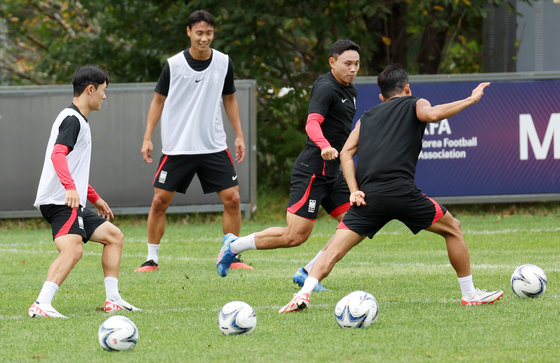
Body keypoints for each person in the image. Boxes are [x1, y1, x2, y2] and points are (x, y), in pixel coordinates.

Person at [279, 64, 503, 313]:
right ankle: (470, 294)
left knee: (333, 249)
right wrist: (471, 100)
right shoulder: (415, 102)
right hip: (401, 192)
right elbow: (433, 115)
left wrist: (354, 190)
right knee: (453, 229)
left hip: (368, 197)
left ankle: (304, 293)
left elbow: (345, 152)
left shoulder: (367, 117)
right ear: (407, 88)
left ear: (381, 97)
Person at [216, 40, 361, 286]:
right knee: (295, 236)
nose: (353, 69)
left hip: (333, 173)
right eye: (348, 63)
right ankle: (234, 245)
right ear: (332, 62)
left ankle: (308, 272)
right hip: (313, 171)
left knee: (356, 224)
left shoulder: (351, 91)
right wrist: (324, 145)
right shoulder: (326, 87)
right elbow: (312, 123)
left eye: (357, 64)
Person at [135, 9, 252, 272]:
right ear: (188, 32)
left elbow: (229, 99)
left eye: (209, 33)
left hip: (213, 145)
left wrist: (239, 135)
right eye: (199, 33)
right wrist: (147, 138)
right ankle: (151, 259)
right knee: (158, 202)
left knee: (233, 199)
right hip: (178, 146)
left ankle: (231, 256)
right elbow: (158, 101)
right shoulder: (173, 64)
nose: (204, 38)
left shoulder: (224, 62)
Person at [29, 66, 140, 318]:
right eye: (103, 90)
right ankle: (41, 304)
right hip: (61, 201)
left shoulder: (77, 120)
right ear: (91, 89)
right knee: (73, 250)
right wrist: (69, 188)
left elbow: (72, 167)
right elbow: (58, 155)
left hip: (69, 199)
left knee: (114, 236)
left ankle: (113, 300)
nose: (105, 96)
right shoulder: (72, 119)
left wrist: (94, 197)